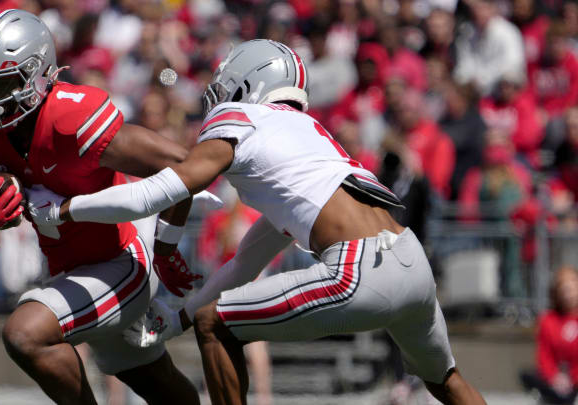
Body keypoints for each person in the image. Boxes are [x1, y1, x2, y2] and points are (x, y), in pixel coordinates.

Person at [27, 39, 487, 405]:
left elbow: (162, 188)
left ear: (246, 84)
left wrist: (66, 210)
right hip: (411, 262)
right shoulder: (306, 142)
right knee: (446, 381)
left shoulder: (239, 117)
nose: (217, 95)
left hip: (361, 270)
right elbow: (249, 256)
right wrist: (175, 319)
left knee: (217, 323)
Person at [0, 9, 201, 405]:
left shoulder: (72, 115)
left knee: (24, 334)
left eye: (0, 86)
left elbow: (183, 167)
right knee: (160, 385)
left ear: (37, 74)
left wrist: (166, 251)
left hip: (121, 260)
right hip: (68, 272)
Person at [521, 266, 578, 404]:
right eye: (564, 289)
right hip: (556, 382)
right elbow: (544, 355)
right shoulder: (548, 320)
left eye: (571, 288)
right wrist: (554, 377)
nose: (568, 294)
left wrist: (573, 378)